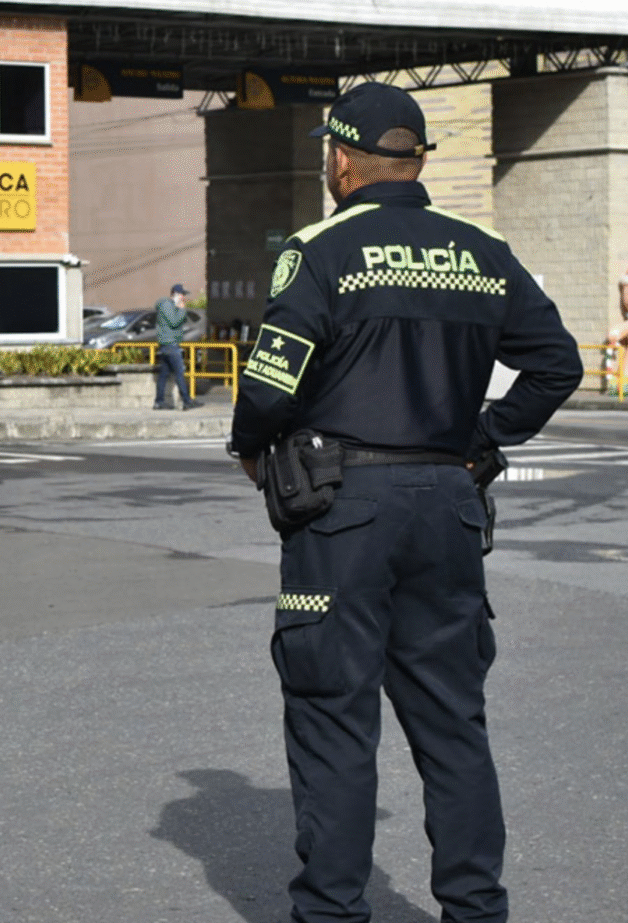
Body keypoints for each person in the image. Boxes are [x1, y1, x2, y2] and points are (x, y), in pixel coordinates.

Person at [229, 83, 581, 923]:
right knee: (454, 723)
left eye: (327, 152)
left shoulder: (318, 248)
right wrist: (483, 432)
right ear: (414, 159)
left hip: (342, 510)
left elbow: (271, 387)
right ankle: (475, 909)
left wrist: (250, 447)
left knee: (333, 717)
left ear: (341, 160)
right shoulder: (481, 249)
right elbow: (557, 364)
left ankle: (333, 912)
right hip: (450, 505)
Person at [154, 283, 202, 410]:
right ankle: (186, 401)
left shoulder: (171, 306)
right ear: (175, 294)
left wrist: (180, 310)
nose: (183, 298)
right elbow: (174, 322)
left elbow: (180, 321)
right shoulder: (166, 305)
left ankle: (159, 402)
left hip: (169, 344)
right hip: (170, 344)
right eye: (182, 295)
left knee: (164, 374)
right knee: (179, 372)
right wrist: (181, 309)